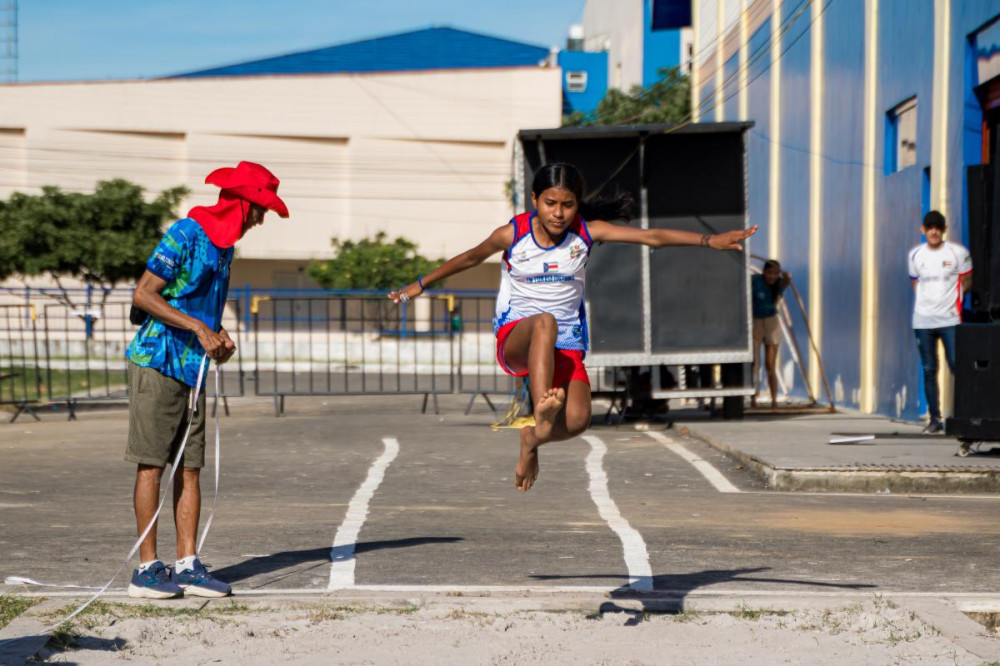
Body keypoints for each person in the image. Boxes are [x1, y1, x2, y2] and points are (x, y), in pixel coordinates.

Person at [389, 163, 756, 491]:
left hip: (566, 343)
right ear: (535, 199)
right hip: (518, 337)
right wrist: (420, 284)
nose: (559, 213)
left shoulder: (586, 232)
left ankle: (534, 438)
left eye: (567, 204)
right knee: (544, 322)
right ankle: (542, 409)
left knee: (579, 421)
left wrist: (710, 240)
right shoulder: (513, 234)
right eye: (550, 203)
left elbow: (651, 237)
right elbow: (470, 257)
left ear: (577, 204)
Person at [125, 161, 289, 598]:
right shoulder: (186, 234)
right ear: (243, 204)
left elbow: (201, 309)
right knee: (151, 464)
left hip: (193, 369)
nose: (260, 220)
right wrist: (199, 328)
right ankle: (146, 569)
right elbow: (144, 294)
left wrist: (219, 335)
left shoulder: (225, 249)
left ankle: (187, 565)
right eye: (260, 210)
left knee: (191, 468)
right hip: (157, 360)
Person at [908, 210, 972, 434]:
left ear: (944, 230)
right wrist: (927, 303)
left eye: (938, 227)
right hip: (922, 321)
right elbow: (915, 283)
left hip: (950, 320)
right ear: (923, 230)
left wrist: (954, 300)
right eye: (930, 227)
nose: (934, 231)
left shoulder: (958, 253)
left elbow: (968, 280)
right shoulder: (915, 255)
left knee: (957, 366)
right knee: (929, 369)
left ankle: (964, 416)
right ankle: (935, 419)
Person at [750, 259, 791, 409]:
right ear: (764, 272)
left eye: (775, 273)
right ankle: (753, 398)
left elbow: (787, 280)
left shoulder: (778, 284)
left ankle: (774, 400)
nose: (772, 276)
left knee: (770, 365)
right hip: (755, 322)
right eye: (769, 273)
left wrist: (785, 276)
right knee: (755, 364)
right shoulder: (756, 281)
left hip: (771, 322)